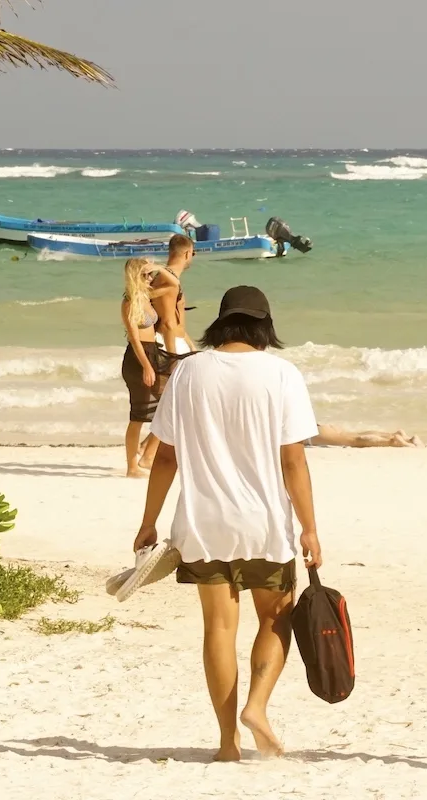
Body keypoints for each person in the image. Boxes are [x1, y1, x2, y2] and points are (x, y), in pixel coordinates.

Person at [133, 286, 322, 761]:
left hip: (204, 522)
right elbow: (293, 462)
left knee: (218, 628)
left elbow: (167, 458)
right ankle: (256, 708)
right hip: (265, 523)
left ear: (221, 323)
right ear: (265, 325)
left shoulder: (190, 371)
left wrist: (149, 521)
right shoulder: (281, 374)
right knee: (276, 618)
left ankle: (226, 744)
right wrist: (310, 528)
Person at [120, 258, 180, 477]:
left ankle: (146, 454)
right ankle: (132, 466)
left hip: (154, 353)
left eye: (150, 275)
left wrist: (158, 268)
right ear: (136, 276)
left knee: (168, 401)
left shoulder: (146, 296)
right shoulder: (129, 301)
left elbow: (173, 285)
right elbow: (135, 339)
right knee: (138, 415)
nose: (150, 278)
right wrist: (146, 366)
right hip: (138, 359)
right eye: (145, 275)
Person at [152, 233, 198, 358]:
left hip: (175, 341)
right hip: (169, 344)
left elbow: (176, 319)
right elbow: (167, 322)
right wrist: (172, 358)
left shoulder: (166, 277)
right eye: (193, 254)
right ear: (187, 254)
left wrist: (191, 346)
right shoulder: (168, 280)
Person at [308, 423, 424, 448]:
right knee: (356, 434)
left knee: (354, 440)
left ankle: (393, 442)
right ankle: (401, 436)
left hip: (311, 433)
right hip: (320, 426)